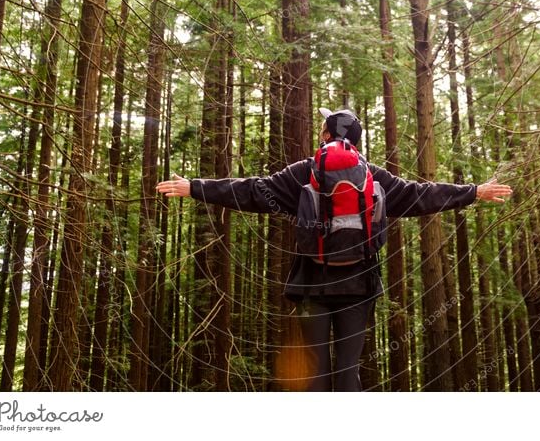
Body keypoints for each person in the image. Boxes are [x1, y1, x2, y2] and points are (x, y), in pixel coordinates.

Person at [156, 108, 512, 391]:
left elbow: (251, 190)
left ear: (327, 136)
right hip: (360, 286)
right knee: (347, 371)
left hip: (313, 284)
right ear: (357, 142)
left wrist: (196, 187)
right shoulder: (373, 176)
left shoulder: (303, 173)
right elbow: (422, 195)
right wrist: (473, 191)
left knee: (315, 372)